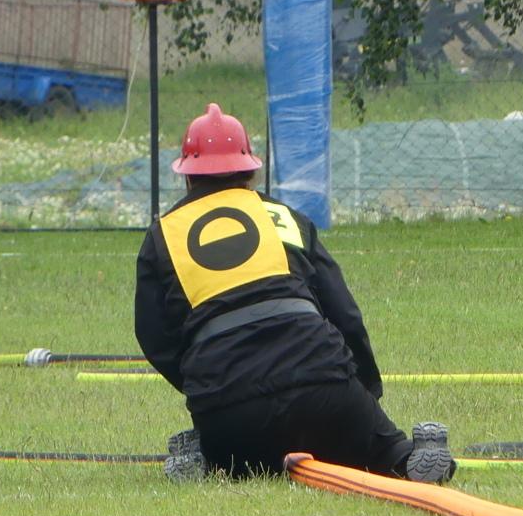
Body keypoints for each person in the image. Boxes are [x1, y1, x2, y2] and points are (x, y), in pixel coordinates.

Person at [133, 103, 454, 484]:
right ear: (250, 171)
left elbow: (154, 337)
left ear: (187, 177)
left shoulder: (162, 236)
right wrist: (363, 394)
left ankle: (207, 461)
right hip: (324, 384)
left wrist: (204, 387)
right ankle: (409, 460)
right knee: (386, 454)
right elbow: (345, 314)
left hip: (229, 407)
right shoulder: (287, 218)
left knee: (234, 462)